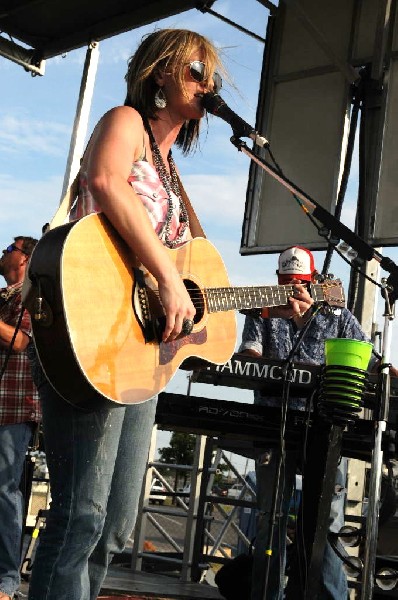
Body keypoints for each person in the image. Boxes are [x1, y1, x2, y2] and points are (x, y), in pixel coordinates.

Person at [27, 28, 225, 600]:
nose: (206, 84)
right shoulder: (125, 122)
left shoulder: (171, 172)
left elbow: (200, 273)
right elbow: (105, 180)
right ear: (159, 71)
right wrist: (166, 278)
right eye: (195, 69)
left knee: (113, 524)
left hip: (138, 355)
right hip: (87, 334)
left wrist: (242, 305)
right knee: (80, 514)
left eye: (210, 75)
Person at [239, 245, 388, 600]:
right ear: (277, 280)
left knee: (327, 525)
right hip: (274, 424)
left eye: (301, 283)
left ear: (314, 282)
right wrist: (250, 358)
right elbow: (250, 354)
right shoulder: (263, 311)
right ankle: (267, 594)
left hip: (327, 429)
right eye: (287, 282)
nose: (294, 291)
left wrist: (391, 374)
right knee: (269, 517)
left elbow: (370, 359)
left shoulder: (336, 314)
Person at [0, 236, 40, 600]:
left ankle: (7, 580)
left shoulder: (30, 295)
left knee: (4, 489)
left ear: (24, 260)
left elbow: (23, 342)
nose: (2, 252)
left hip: (13, 406)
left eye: (9, 248)